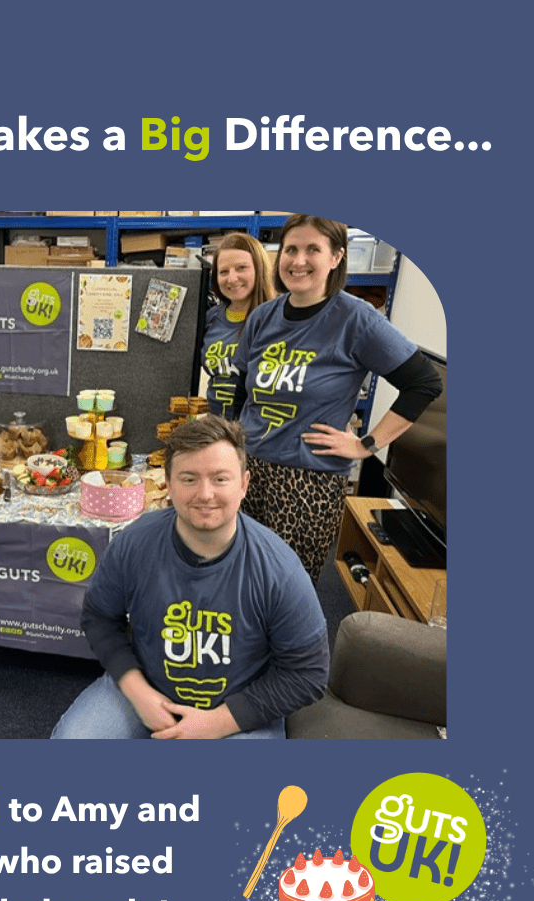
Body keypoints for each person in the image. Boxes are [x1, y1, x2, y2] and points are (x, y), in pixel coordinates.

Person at [51, 415, 328, 740]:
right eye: (189, 479)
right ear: (167, 484)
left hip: (236, 707)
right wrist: (137, 690)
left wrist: (221, 721)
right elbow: (99, 617)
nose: (205, 494)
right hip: (146, 689)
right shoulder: (133, 544)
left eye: (220, 479)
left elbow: (308, 673)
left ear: (244, 484)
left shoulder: (279, 568)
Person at [229, 215, 443, 583]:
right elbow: (243, 385)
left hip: (306, 481)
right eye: (291, 249)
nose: (298, 261)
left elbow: (423, 382)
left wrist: (366, 444)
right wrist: (233, 441)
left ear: (336, 257)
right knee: (239, 575)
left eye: (313, 249)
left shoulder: (355, 319)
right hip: (248, 472)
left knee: (285, 588)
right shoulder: (263, 316)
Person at [202, 233, 276, 417]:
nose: (232, 278)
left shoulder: (276, 319)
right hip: (217, 429)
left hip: (258, 432)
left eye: (241, 268)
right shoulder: (211, 318)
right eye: (223, 271)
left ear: (259, 269)